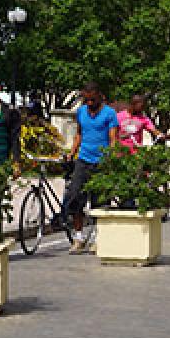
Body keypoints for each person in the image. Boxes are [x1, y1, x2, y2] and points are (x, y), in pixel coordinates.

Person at [66, 83, 122, 253]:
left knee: (100, 201)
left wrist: (111, 157)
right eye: (86, 99)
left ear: (99, 96)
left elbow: (113, 138)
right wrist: (72, 152)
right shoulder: (81, 111)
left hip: (101, 161)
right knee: (75, 197)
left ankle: (98, 238)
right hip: (83, 160)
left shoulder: (109, 113)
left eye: (92, 99)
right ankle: (78, 237)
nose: (89, 102)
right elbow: (79, 134)